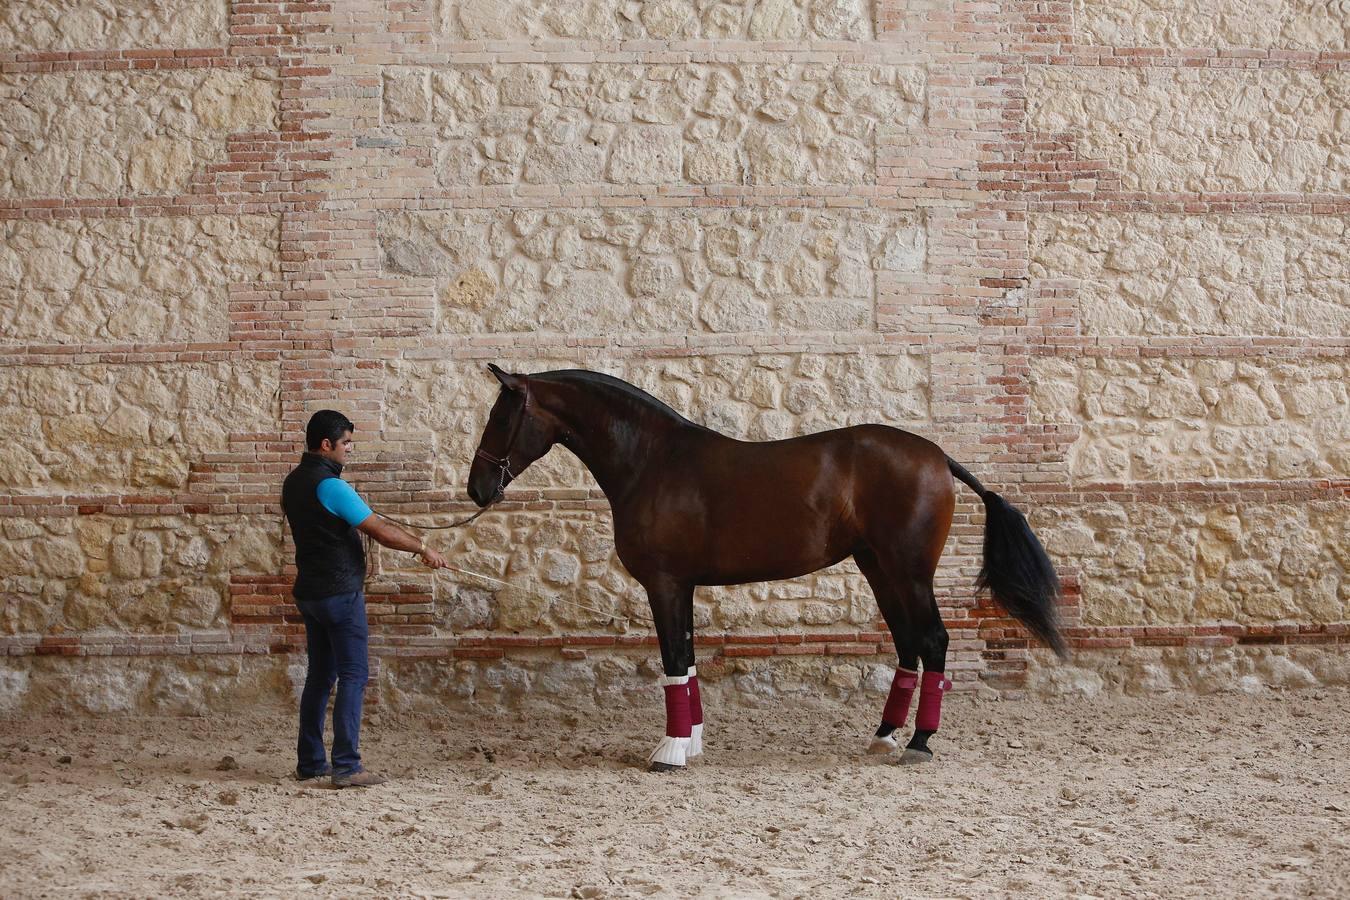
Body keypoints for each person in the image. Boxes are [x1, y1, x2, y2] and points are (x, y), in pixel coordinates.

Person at [281, 409, 448, 788]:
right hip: (339, 594)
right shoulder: (332, 486)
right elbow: (382, 532)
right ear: (327, 445)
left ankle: (310, 763)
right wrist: (423, 548)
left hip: (310, 594)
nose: (350, 450)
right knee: (354, 675)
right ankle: (347, 766)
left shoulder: (292, 482)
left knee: (319, 677)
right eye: (347, 443)